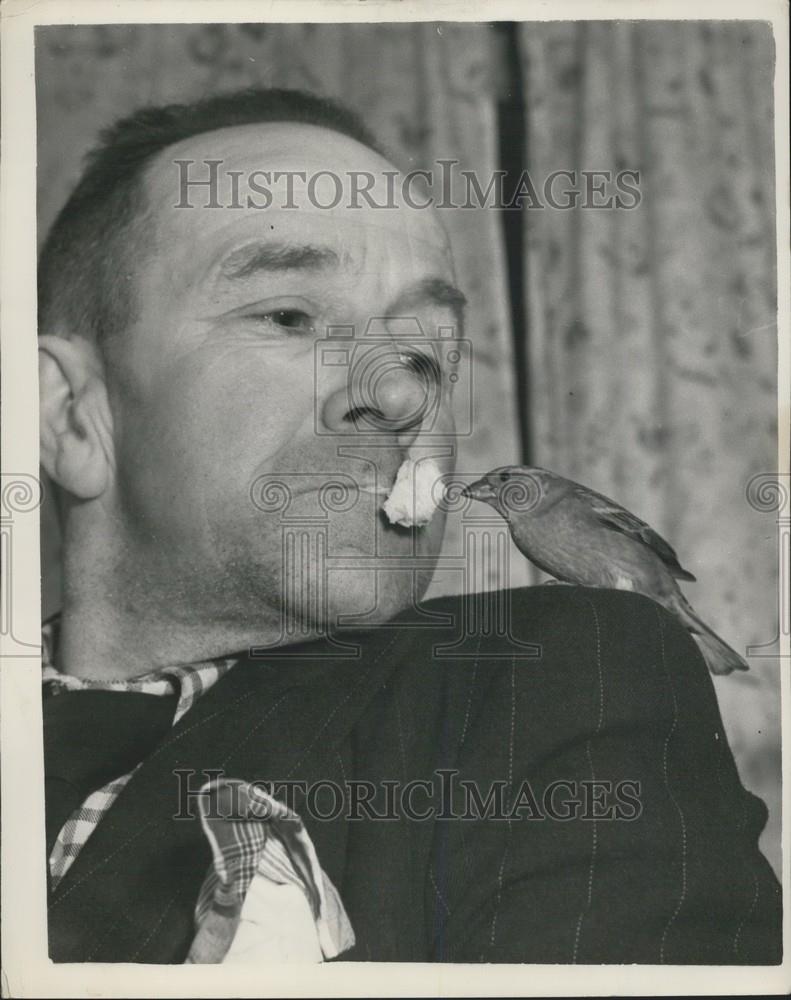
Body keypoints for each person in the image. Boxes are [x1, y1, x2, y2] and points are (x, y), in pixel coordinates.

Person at [38, 88, 781, 964]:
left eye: (427, 354)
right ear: (72, 416)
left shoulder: (555, 675)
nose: (399, 395)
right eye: (289, 316)